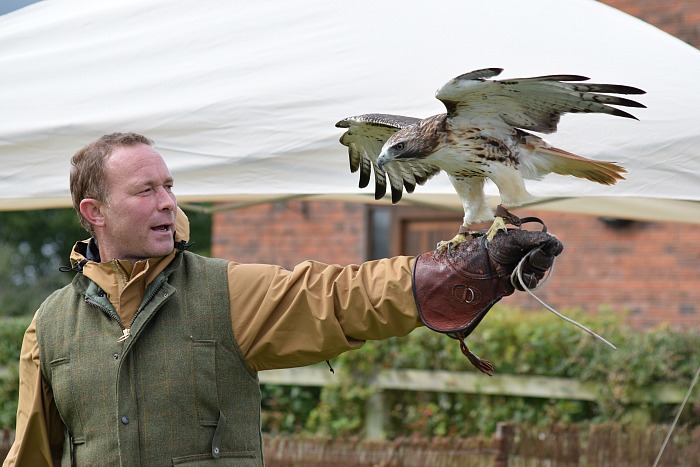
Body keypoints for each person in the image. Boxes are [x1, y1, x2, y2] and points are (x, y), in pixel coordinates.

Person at [3, 132, 561, 466]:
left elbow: (338, 297)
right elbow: (32, 455)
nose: (168, 204)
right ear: (94, 213)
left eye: (170, 186)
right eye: (146, 191)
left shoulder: (227, 292)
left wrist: (441, 275)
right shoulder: (50, 326)